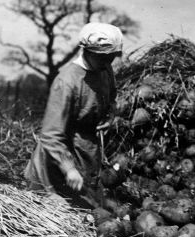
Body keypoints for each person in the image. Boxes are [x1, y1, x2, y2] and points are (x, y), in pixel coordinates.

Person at [24, 22, 123, 207]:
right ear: (89, 51)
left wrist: (110, 113)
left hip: (86, 148)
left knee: (91, 208)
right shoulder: (67, 82)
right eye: (104, 58)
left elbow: (111, 95)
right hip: (58, 156)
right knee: (61, 212)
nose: (109, 62)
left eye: (112, 57)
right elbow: (51, 134)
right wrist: (68, 169)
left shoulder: (104, 69)